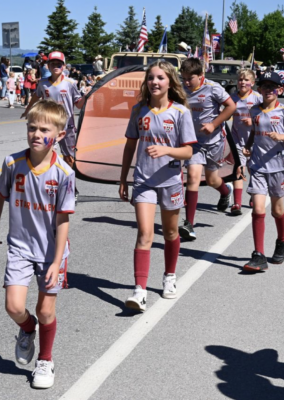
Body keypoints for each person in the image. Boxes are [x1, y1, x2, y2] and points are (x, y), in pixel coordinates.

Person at [0, 99, 75, 389]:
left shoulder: (64, 173)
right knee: (14, 306)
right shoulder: (13, 163)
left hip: (51, 252)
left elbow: (63, 220)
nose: (36, 134)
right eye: (32, 128)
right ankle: (28, 328)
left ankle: (45, 361)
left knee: (46, 310)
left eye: (44, 130)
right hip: (20, 248)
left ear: (59, 135)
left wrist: (57, 261)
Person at [119, 61, 196, 311]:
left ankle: (169, 276)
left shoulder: (180, 112)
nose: (154, 82)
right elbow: (130, 146)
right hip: (144, 181)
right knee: (145, 234)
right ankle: (139, 290)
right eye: (151, 78)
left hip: (171, 181)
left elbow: (188, 151)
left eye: (160, 78)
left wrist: (166, 150)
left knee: (171, 233)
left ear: (170, 82)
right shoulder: (138, 110)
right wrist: (123, 178)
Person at [242, 71, 284, 271]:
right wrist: (248, 145)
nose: (268, 90)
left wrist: (281, 137)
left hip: (278, 167)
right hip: (258, 166)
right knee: (258, 209)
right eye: (265, 86)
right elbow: (254, 132)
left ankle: (282, 240)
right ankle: (258, 255)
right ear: (259, 89)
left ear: (280, 90)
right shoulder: (254, 110)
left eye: (272, 87)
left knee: (277, 210)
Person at [178, 58, 237, 240]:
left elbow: (231, 106)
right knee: (193, 177)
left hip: (213, 141)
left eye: (190, 78)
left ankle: (225, 191)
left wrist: (213, 124)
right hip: (193, 142)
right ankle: (189, 224)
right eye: (184, 78)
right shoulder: (181, 89)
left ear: (201, 75)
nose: (187, 82)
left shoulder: (213, 88)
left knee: (212, 180)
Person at [21, 51, 89, 201]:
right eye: (53, 64)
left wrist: (87, 96)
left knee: (69, 159)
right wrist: (27, 110)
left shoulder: (70, 83)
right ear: (48, 66)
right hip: (49, 127)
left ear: (63, 66)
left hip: (67, 127)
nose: (56, 66)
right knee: (46, 156)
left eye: (59, 64)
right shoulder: (43, 83)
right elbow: (36, 96)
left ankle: (71, 188)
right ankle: (47, 187)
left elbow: (78, 104)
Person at [229, 69, 262, 215]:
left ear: (252, 83)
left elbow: (266, 116)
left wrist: (253, 121)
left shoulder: (258, 98)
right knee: (238, 169)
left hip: (255, 141)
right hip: (237, 140)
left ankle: (253, 193)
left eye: (246, 80)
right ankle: (236, 203)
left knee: (252, 169)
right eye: (240, 79)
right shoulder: (232, 98)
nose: (243, 82)